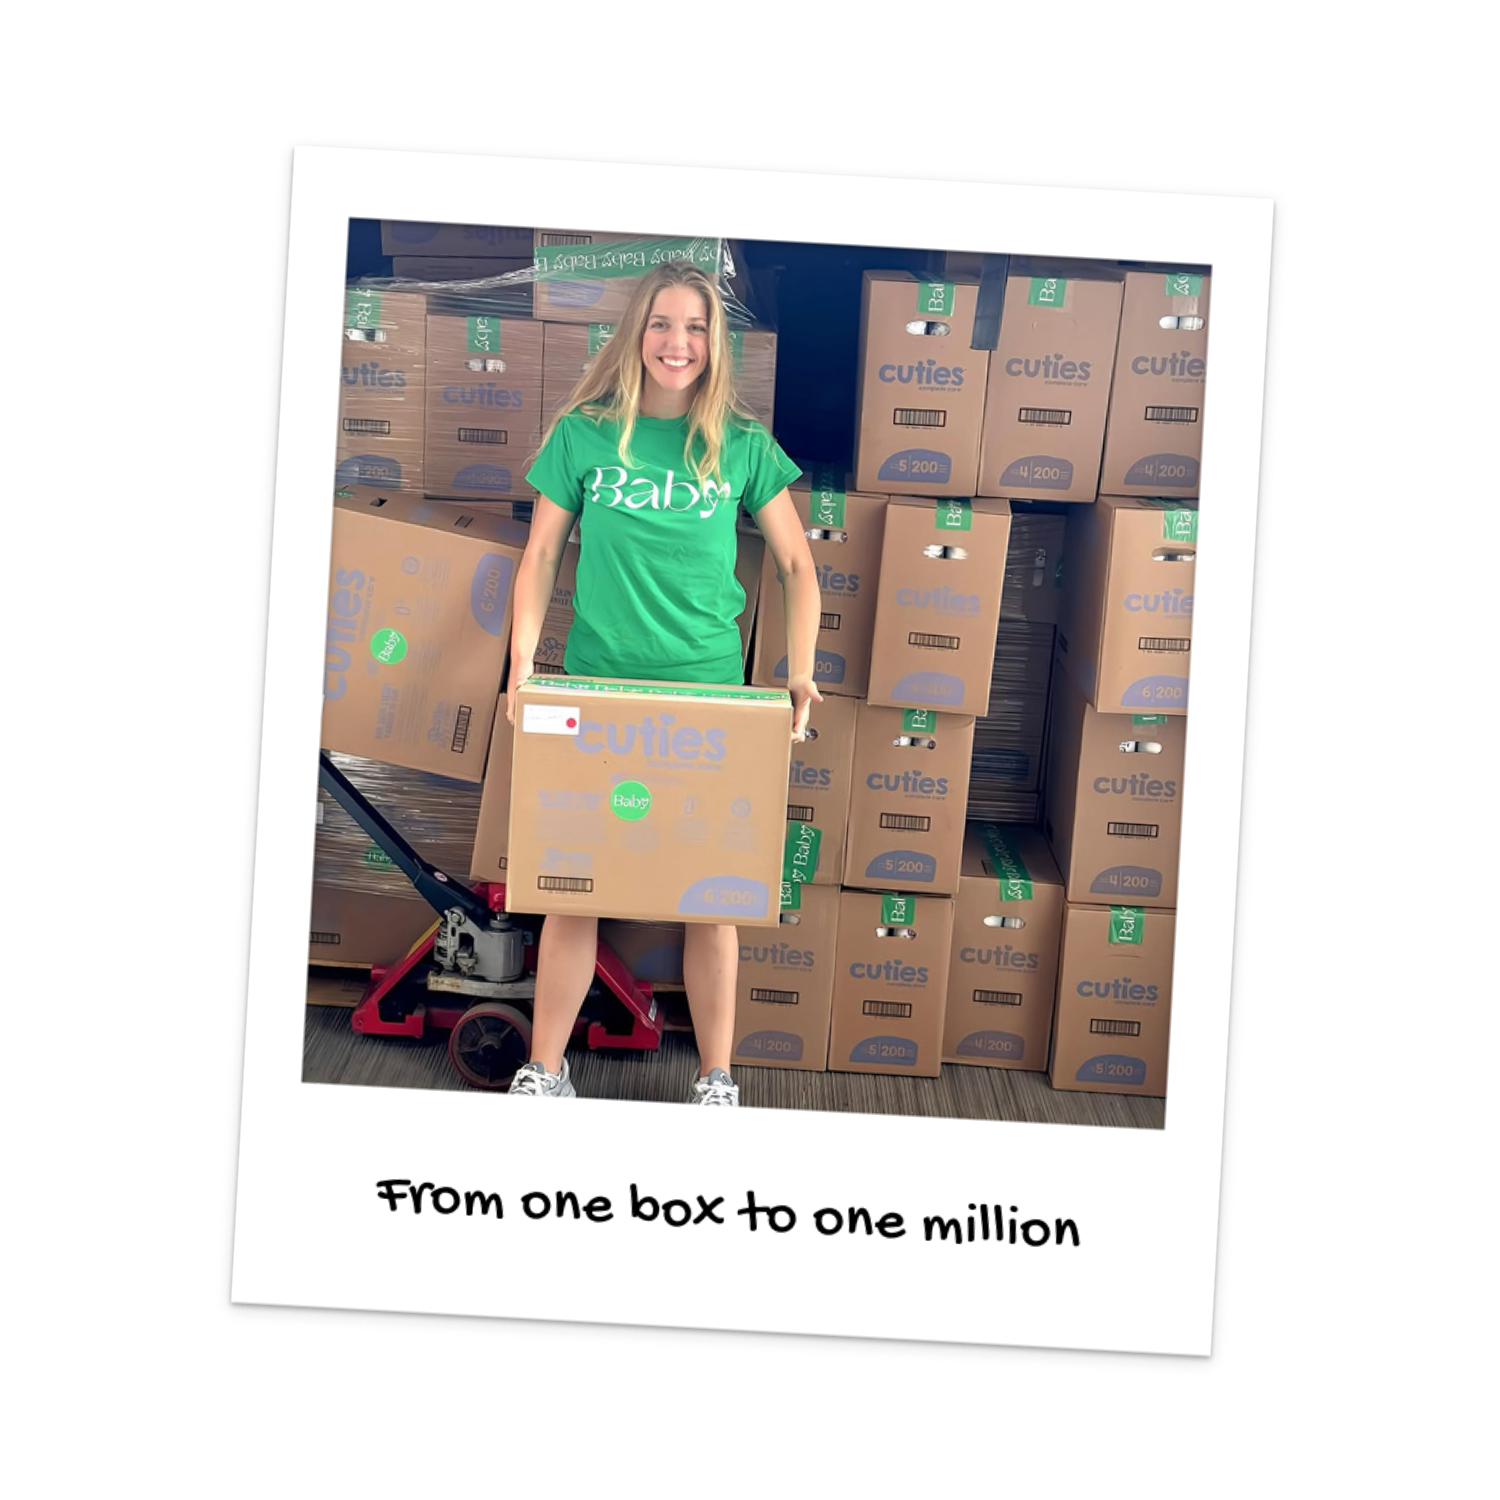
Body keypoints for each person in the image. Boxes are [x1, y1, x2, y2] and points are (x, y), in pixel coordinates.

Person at [503, 259, 823, 1106]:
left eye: (694, 327)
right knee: (575, 889)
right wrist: (523, 667)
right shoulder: (584, 434)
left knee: (711, 897)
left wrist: (799, 671)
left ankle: (717, 1080)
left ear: (714, 343)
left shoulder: (741, 444)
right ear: (634, 335)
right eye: (660, 324)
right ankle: (545, 1071)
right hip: (599, 691)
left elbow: (796, 562)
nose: (676, 343)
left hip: (707, 698)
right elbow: (540, 557)